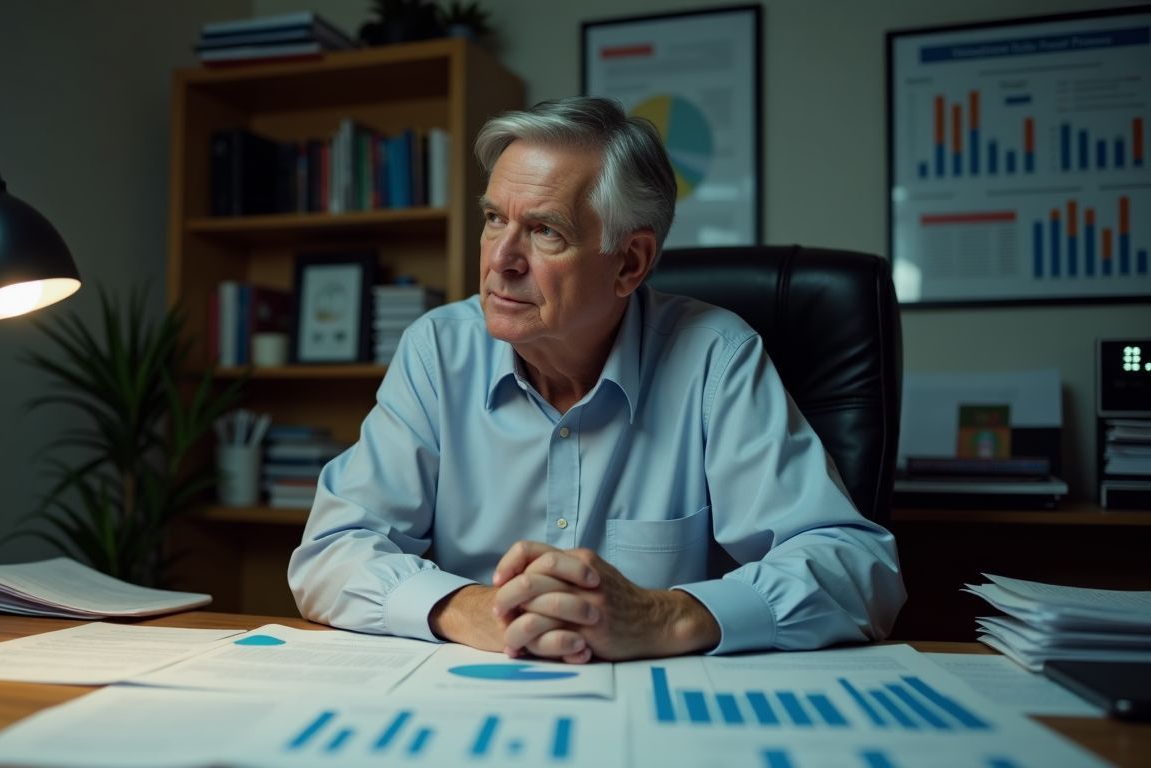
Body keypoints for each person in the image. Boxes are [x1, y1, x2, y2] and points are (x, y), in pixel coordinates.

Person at [288, 96, 905, 663]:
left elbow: (857, 569)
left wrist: (665, 616)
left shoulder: (717, 360)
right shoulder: (438, 351)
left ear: (630, 262)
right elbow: (330, 551)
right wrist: (472, 609)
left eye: (544, 230)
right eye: (493, 219)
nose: (501, 259)